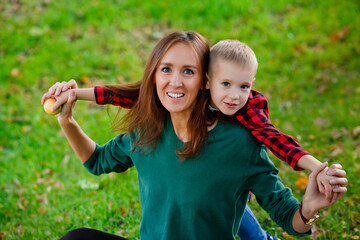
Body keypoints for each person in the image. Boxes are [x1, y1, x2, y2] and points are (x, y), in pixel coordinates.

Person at [42, 31, 347, 240]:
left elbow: (287, 217)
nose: (175, 82)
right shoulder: (146, 132)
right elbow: (97, 162)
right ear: (154, 75)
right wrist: (67, 120)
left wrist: (306, 211)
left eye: (188, 71)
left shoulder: (241, 144)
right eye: (166, 70)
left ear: (205, 81)